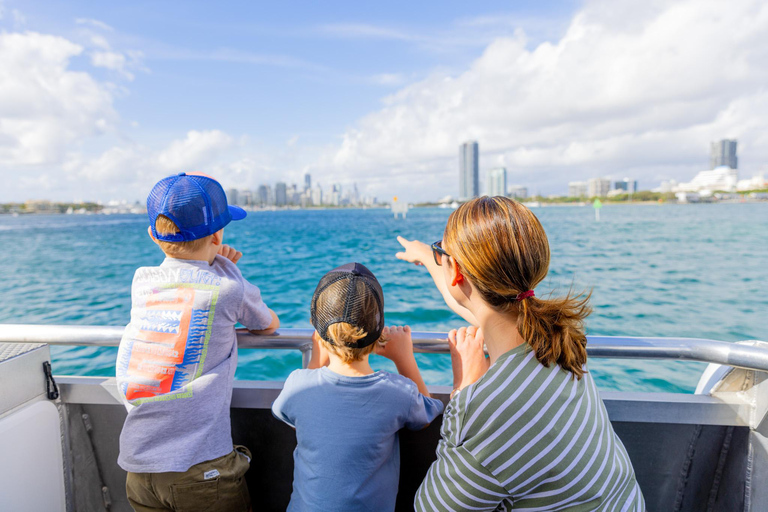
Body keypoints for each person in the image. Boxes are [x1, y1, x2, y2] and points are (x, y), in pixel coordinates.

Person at [396, 196, 645, 511]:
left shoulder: (487, 408)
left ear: (456, 270)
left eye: (441, 251)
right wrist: (433, 259)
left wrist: (464, 390)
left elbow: (430, 508)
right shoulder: (557, 336)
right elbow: (470, 302)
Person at [116, 172, 280, 512]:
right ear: (218, 234)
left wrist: (213, 262)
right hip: (200, 469)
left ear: (152, 235)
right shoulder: (227, 287)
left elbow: (184, 281)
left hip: (139, 468)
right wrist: (225, 267)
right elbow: (267, 323)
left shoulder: (142, 282)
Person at [271, 262, 444, 512]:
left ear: (317, 331)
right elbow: (427, 413)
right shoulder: (397, 392)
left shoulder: (299, 385)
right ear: (378, 332)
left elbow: (285, 412)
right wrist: (403, 357)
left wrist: (315, 361)